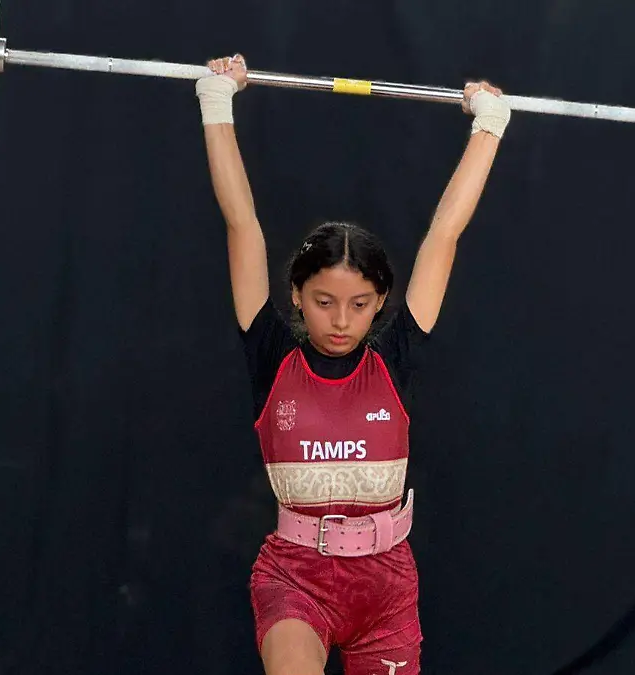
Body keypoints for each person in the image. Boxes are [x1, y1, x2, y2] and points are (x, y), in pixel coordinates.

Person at [195, 53, 510, 675]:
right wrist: (216, 100)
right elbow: (242, 224)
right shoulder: (272, 353)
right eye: (324, 302)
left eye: (359, 304)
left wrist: (489, 125)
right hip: (295, 578)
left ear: (380, 302)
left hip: (386, 589)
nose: (340, 321)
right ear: (296, 295)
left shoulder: (396, 356)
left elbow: (444, 234)